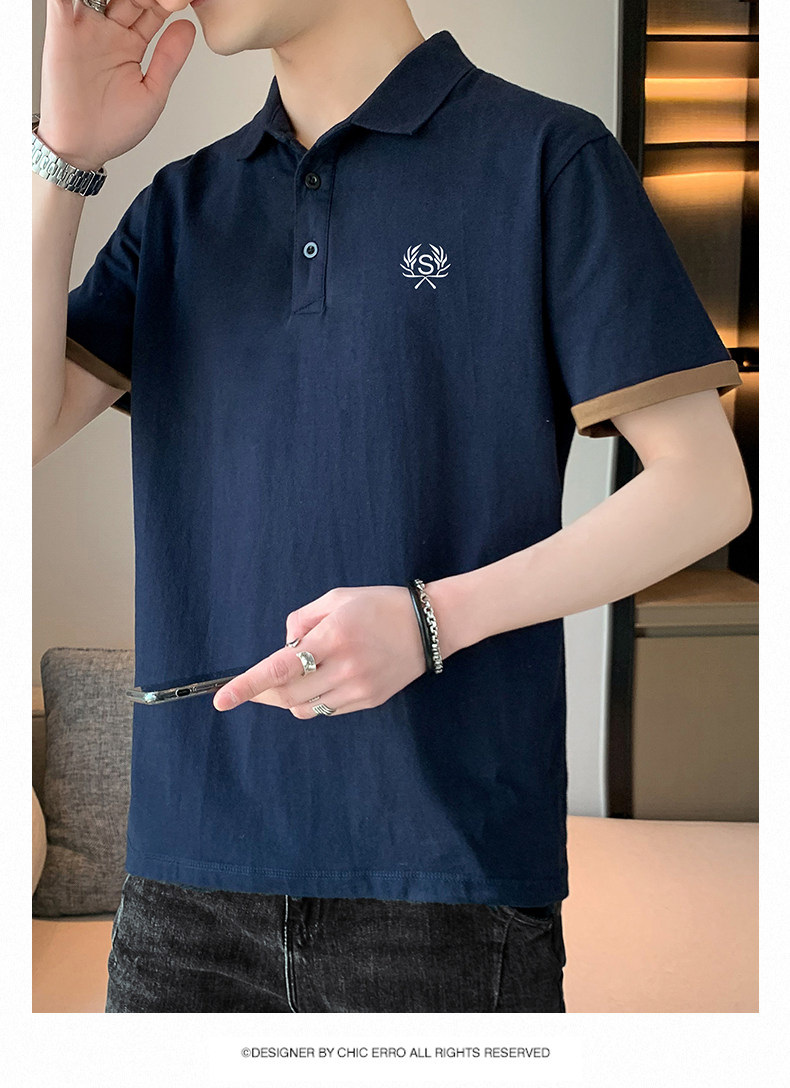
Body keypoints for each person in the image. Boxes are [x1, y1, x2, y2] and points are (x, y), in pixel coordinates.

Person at [33, 0, 751, 1014]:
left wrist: (430, 619)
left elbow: (704, 488)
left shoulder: (546, 158)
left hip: (444, 881)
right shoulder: (181, 207)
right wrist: (63, 158)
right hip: (182, 888)